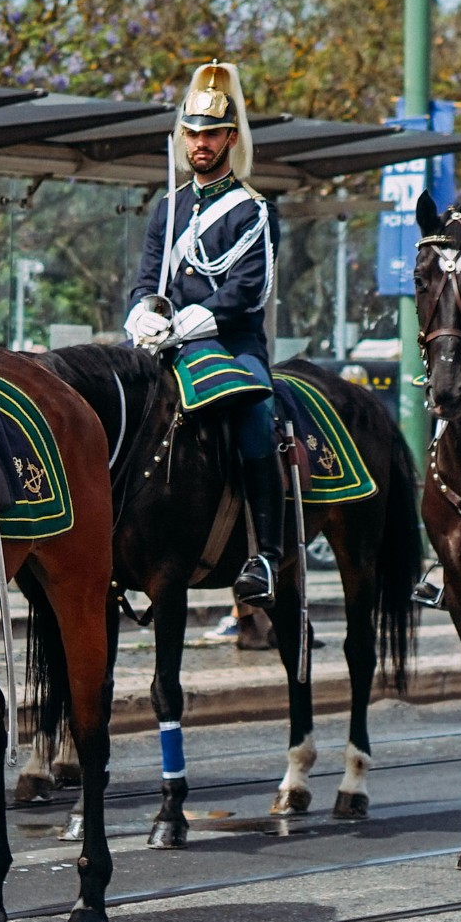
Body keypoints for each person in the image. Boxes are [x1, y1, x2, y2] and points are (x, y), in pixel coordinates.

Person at [123, 61, 284, 606]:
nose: (199, 143)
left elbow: (246, 292)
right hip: (165, 347)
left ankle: (265, 553)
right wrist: (142, 314)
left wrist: (186, 323)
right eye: (191, 133)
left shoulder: (254, 210)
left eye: (210, 133)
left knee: (257, 418)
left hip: (232, 345)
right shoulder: (167, 208)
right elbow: (148, 280)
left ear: (230, 139)